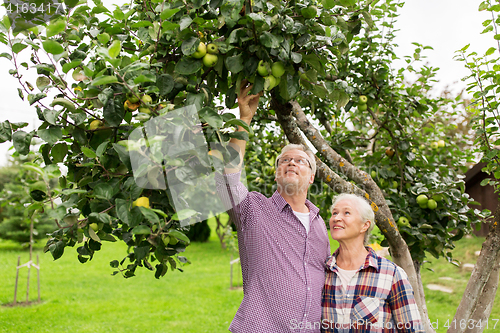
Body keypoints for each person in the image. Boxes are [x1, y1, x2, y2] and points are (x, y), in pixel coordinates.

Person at [215, 81, 330, 333]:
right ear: (277, 174)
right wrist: (245, 118)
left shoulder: (320, 224)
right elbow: (227, 180)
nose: (291, 163)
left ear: (311, 177)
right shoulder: (253, 210)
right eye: (284, 160)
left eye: (301, 161)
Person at [321, 193, 424, 333]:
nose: (336, 218)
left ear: (365, 225)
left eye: (346, 212)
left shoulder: (391, 274)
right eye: (334, 213)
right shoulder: (322, 272)